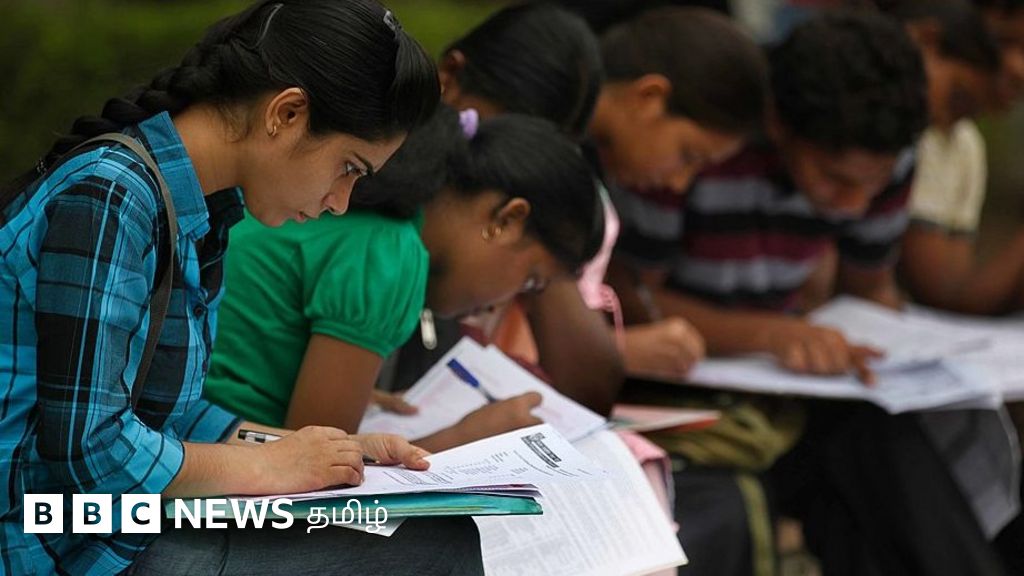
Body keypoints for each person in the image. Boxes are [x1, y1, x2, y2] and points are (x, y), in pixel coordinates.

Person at [0, 1, 485, 574]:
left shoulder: (202, 208)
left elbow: (162, 415)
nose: (341, 202)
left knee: (428, 529)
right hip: (46, 535)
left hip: (98, 519)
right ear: (287, 113)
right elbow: (92, 453)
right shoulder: (114, 195)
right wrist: (271, 467)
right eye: (350, 168)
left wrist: (324, 453)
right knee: (433, 547)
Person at [203, 107, 604, 451]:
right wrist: (464, 437)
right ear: (507, 220)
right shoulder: (392, 251)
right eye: (531, 279)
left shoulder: (368, 217)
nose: (504, 302)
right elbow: (314, 473)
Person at [887, 0, 1024, 315]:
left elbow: (959, 287)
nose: (1019, 69)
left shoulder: (963, 141)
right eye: (1005, 42)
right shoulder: (912, 132)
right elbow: (943, 294)